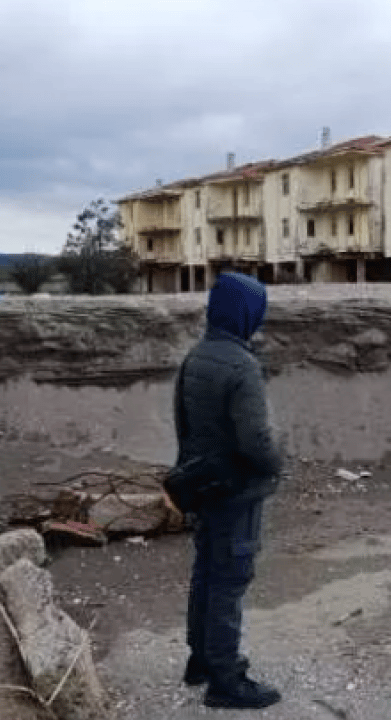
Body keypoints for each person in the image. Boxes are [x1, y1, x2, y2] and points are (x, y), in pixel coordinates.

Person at [173, 271, 284, 710]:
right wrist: (278, 463)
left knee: (206, 574)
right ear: (245, 312)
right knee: (230, 580)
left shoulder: (196, 356)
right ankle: (225, 678)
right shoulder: (242, 365)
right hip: (236, 491)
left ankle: (199, 660)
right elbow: (255, 441)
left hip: (203, 486)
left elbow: (183, 424)